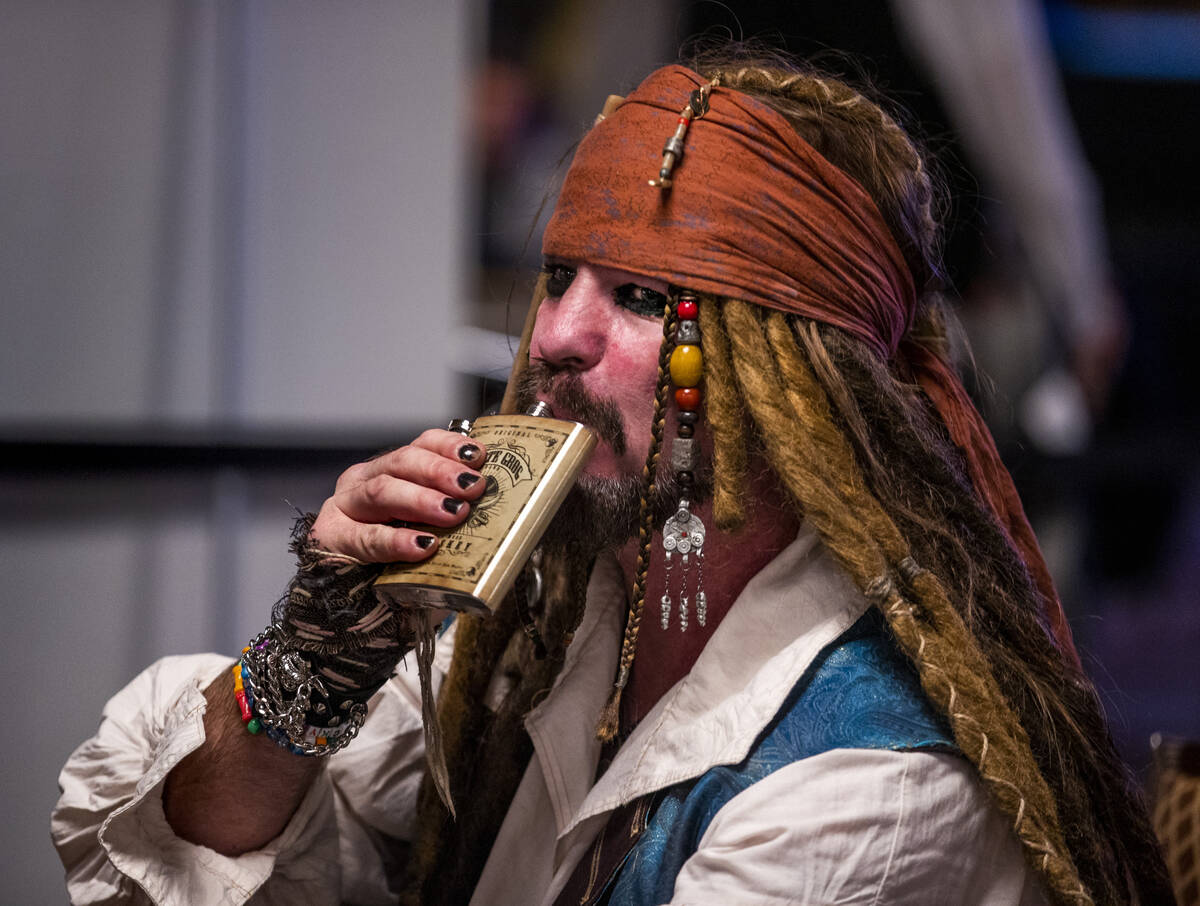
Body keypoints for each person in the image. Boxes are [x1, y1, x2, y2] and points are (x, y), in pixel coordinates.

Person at [53, 51, 1172, 905]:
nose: (555, 337)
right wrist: (313, 658)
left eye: (643, 299)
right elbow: (229, 854)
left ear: (794, 379)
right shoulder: (543, 621)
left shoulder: (874, 779)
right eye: (558, 277)